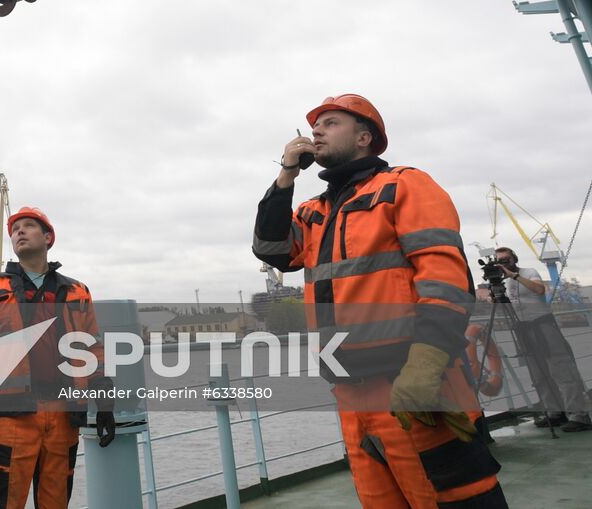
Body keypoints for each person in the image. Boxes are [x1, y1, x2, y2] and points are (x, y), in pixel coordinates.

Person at [252, 94, 506, 509]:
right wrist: (285, 176)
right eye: (315, 125)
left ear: (364, 137)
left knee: (456, 500)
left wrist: (425, 365)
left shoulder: (405, 185)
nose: (316, 131)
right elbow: (271, 249)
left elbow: (444, 278)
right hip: (352, 396)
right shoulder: (314, 210)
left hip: (416, 387)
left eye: (331, 123)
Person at [0, 206, 116, 509]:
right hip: (12, 417)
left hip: (63, 416)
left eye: (29, 226)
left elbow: (92, 349)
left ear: (48, 237)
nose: (19, 232)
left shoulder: (77, 292)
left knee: (56, 503)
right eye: (15, 229)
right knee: (2, 504)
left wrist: (105, 406)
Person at [490, 246, 592, 430]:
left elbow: (539, 290)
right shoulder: (505, 282)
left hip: (543, 326)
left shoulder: (528, 272)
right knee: (538, 374)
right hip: (523, 329)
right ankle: (555, 412)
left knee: (561, 371)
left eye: (507, 259)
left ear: (514, 258)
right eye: (500, 260)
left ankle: (579, 416)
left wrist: (514, 276)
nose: (504, 263)